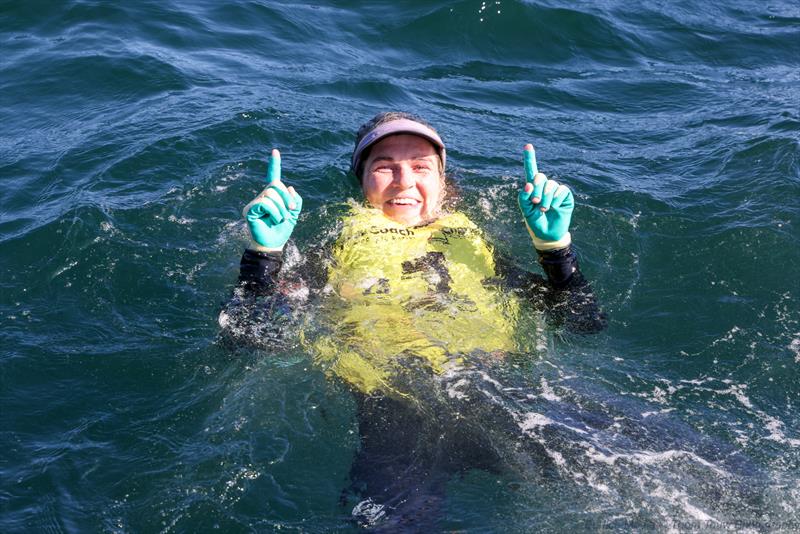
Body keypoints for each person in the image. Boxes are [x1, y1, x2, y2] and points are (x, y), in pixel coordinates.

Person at [221, 112, 606, 529]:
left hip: (502, 392)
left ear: (442, 181)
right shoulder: (335, 249)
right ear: (361, 180)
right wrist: (263, 258)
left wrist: (555, 247)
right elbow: (247, 338)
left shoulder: (476, 245)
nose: (404, 181)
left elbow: (584, 323)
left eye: (420, 167)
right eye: (385, 166)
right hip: (396, 410)